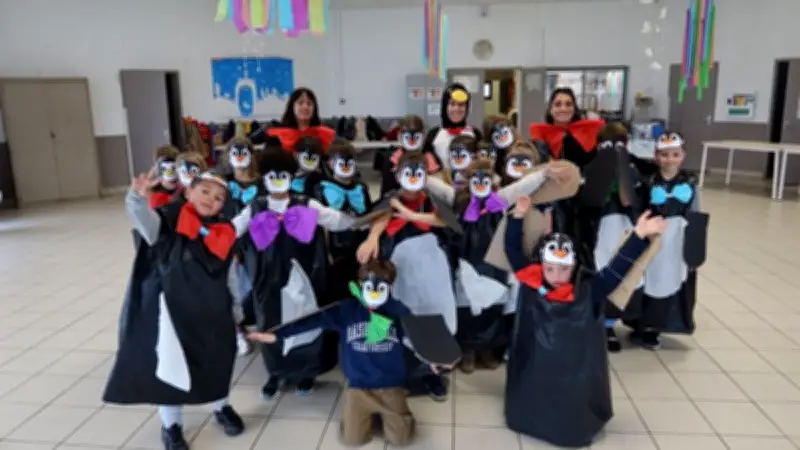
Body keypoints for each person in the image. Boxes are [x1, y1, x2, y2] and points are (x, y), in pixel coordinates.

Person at [504, 195, 666, 448]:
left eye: (564, 269)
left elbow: (616, 271)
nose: (557, 276)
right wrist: (517, 217)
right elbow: (513, 249)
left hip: (572, 373)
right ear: (542, 265)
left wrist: (638, 235)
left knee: (568, 404)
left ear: (575, 266)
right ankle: (529, 419)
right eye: (551, 268)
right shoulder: (531, 280)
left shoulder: (588, 290)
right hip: (536, 366)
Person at [103, 170, 245, 450]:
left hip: (211, 312)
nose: (210, 200)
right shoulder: (167, 222)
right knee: (171, 368)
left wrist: (237, 310)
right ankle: (171, 425)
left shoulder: (224, 231)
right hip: (172, 312)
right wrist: (136, 198)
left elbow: (230, 276)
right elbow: (143, 221)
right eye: (204, 191)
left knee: (216, 361)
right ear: (188, 192)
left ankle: (221, 406)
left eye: (218, 198)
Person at [248, 259, 449, 447]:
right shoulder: (347, 310)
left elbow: (417, 337)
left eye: (382, 286)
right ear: (360, 285)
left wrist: (432, 358)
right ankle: (368, 415)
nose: (375, 293)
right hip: (358, 387)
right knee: (352, 439)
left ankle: (394, 414)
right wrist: (278, 335)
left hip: (390, 386)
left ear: (391, 287)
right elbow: (314, 320)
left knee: (401, 439)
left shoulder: (397, 311)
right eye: (369, 286)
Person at [233, 148, 356, 399]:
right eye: (272, 175)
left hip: (303, 275)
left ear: (291, 176)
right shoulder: (254, 208)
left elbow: (334, 219)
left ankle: (306, 371)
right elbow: (231, 229)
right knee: (270, 321)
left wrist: (366, 221)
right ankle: (276, 372)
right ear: (264, 177)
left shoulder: (305, 203)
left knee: (305, 321)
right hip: (268, 280)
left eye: (283, 174)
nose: (277, 179)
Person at [424, 157, 557, 373]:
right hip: (467, 258)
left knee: (492, 303)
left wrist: (544, 174)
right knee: (465, 304)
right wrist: (420, 176)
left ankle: (486, 348)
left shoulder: (500, 199)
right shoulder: (459, 199)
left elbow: (521, 186)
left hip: (493, 260)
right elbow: (438, 188)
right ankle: (467, 349)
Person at [357, 151, 455, 401]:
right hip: (401, 269)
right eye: (407, 172)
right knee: (402, 317)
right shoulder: (391, 198)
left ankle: (434, 372)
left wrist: (410, 215)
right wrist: (372, 237)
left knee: (433, 315)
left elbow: (445, 221)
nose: (412, 177)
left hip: (432, 270)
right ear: (398, 174)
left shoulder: (432, 199)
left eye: (417, 171)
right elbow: (381, 216)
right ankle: (405, 373)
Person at [626, 132, 707, 349]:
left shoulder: (690, 182)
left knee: (673, 281)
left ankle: (662, 325)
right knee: (651, 281)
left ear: (683, 155)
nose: (669, 159)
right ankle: (643, 324)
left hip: (678, 239)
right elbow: (641, 209)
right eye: (664, 154)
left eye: (674, 154)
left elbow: (695, 212)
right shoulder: (649, 182)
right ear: (656, 156)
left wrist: (694, 242)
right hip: (655, 237)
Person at [529, 88, 605, 268]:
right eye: (558, 104)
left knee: (585, 245)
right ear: (550, 109)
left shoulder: (588, 132)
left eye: (568, 104)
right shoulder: (541, 136)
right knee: (557, 245)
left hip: (585, 200)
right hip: (556, 202)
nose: (563, 108)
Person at [423, 83, 482, 172]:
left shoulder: (475, 133)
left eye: (461, 105)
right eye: (452, 104)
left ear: (467, 108)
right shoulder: (433, 134)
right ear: (445, 106)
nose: (456, 108)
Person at [379, 114, 440, 197]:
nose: (412, 141)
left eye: (416, 136)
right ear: (400, 136)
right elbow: (386, 191)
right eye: (407, 136)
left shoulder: (429, 157)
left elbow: (435, 186)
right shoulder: (392, 160)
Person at [267, 87, 336, 153]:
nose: (305, 107)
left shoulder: (326, 134)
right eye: (300, 103)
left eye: (309, 104)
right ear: (292, 107)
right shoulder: (276, 136)